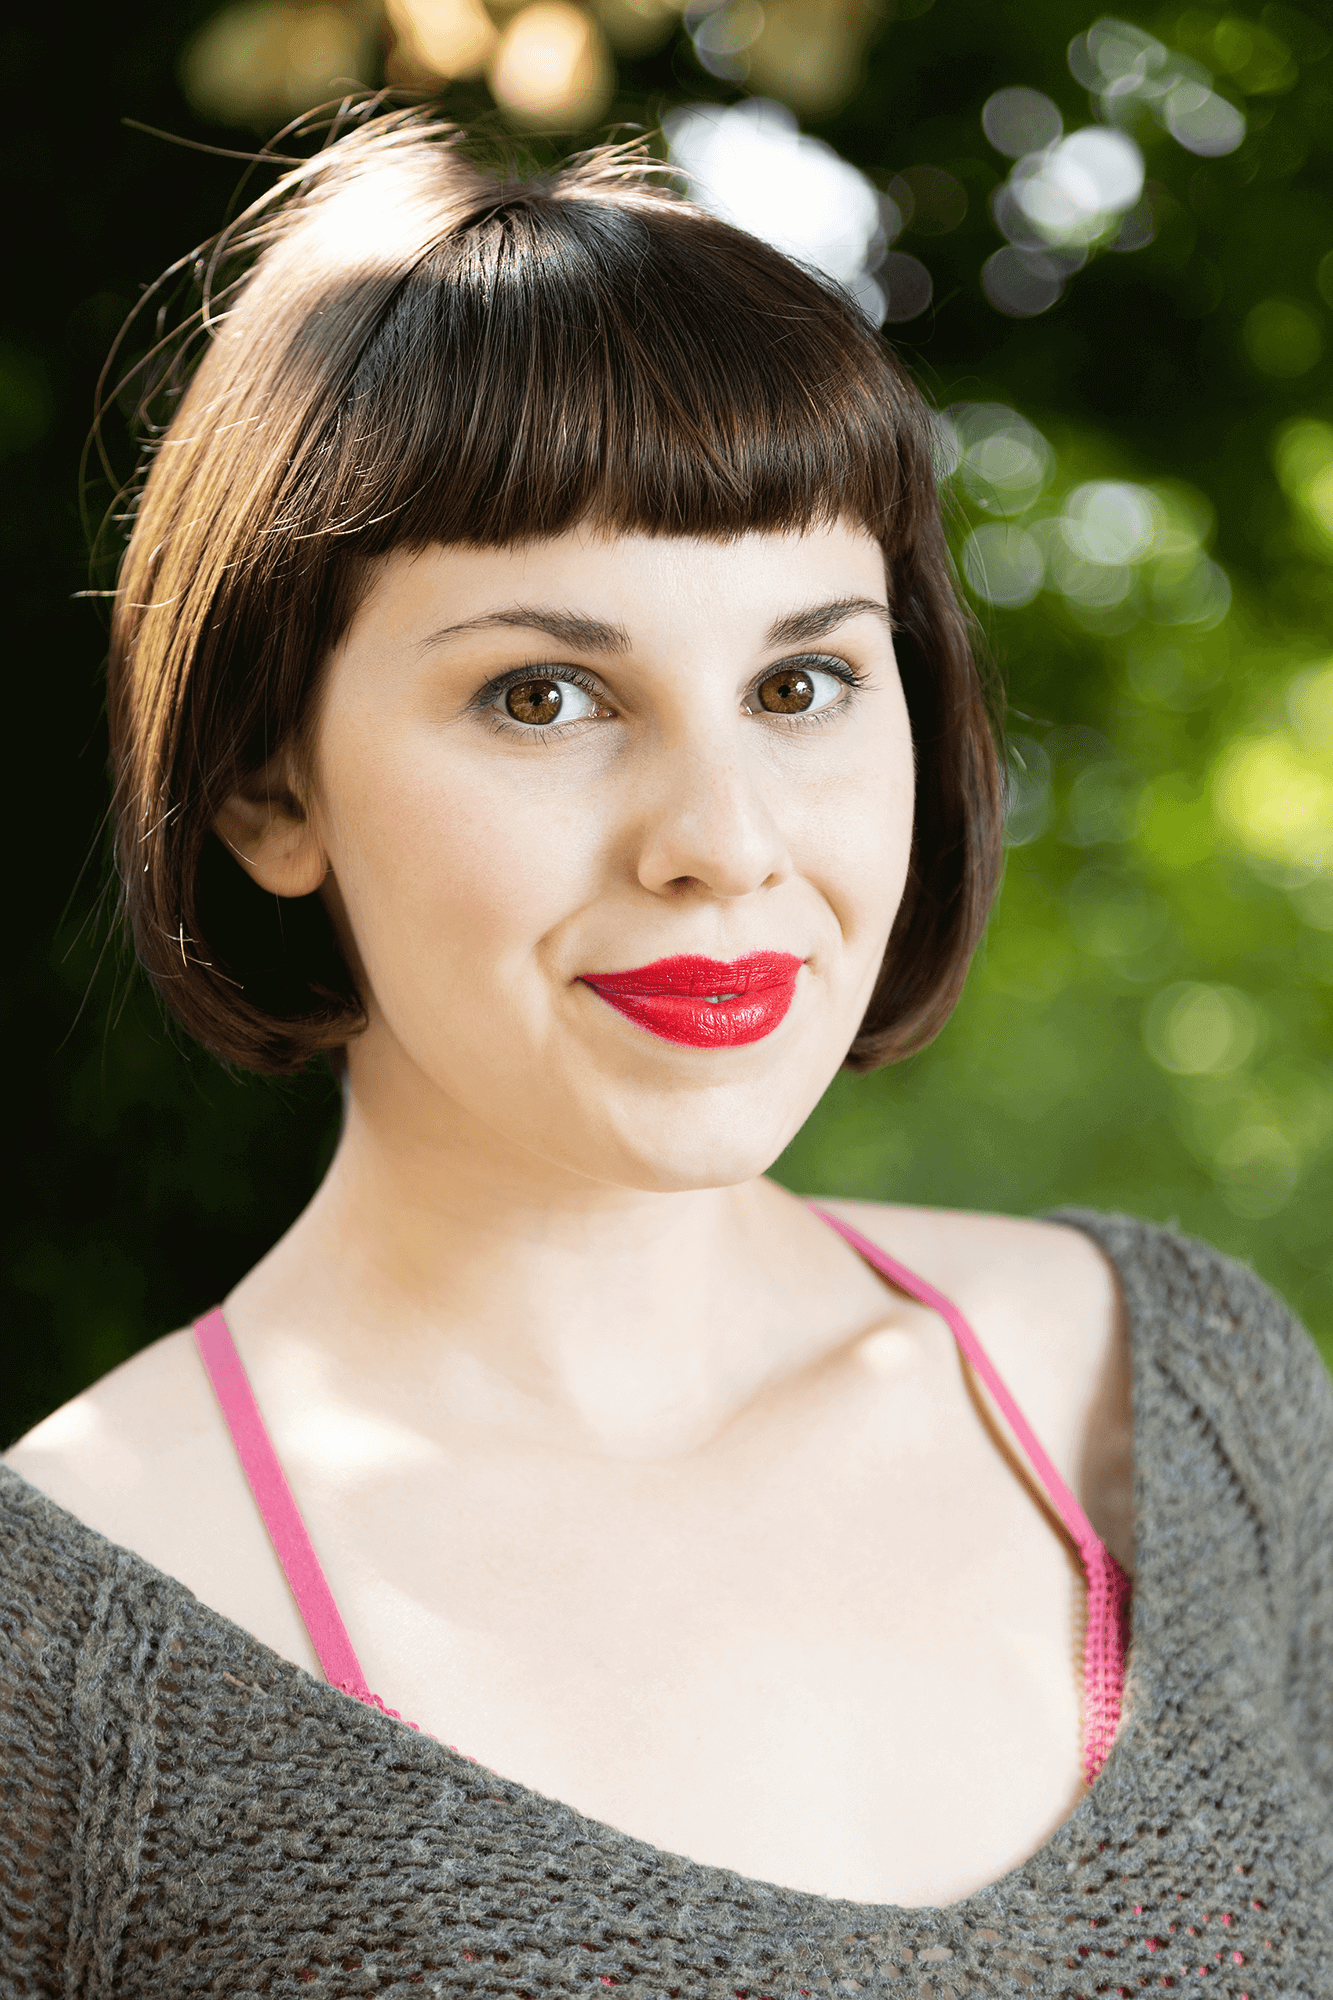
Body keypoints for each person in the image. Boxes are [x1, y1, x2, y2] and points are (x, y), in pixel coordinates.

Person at [2, 104, 1329, 1996]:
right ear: (262, 784)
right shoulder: (66, 1651)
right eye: (544, 694)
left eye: (803, 682)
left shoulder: (1180, 1395)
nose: (723, 833)